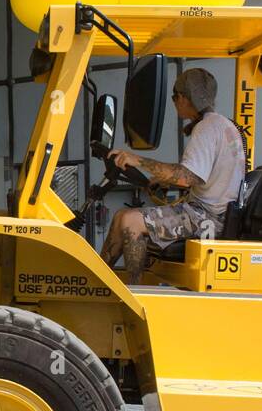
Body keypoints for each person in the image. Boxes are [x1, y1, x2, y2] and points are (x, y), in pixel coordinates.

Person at [99, 67, 245, 283]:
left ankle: (135, 295)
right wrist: (161, 178)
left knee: (131, 221)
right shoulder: (222, 124)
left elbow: (185, 177)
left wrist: (137, 160)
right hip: (211, 212)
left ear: (185, 98)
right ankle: (99, 279)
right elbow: (201, 176)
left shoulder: (206, 128)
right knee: (121, 215)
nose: (175, 102)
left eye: (175, 97)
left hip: (208, 219)